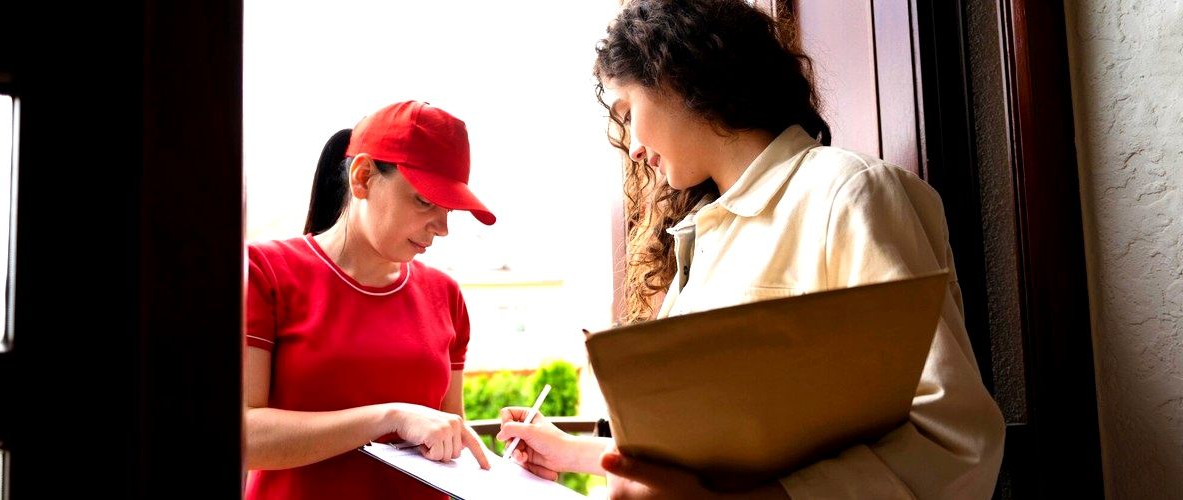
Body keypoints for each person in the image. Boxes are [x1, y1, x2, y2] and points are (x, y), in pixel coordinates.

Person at [496, 0, 1006, 498]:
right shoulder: (704, 237)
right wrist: (573, 453)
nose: (631, 146)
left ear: (676, 75)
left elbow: (950, 440)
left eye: (628, 112)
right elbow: (712, 447)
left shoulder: (847, 194)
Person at [243, 100, 496, 499]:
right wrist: (388, 418)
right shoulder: (266, 272)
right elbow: (244, 437)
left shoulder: (445, 295)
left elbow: (450, 442)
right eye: (425, 201)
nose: (443, 227)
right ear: (362, 177)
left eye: (449, 209)